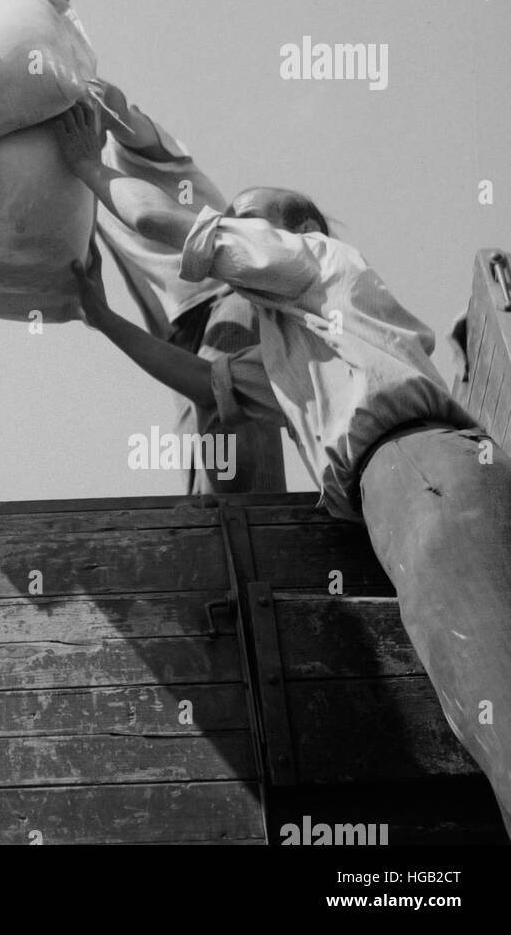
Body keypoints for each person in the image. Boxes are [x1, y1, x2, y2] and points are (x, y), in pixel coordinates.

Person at [53, 100, 511, 828]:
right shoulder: (293, 342)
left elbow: (165, 225)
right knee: (473, 713)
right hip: (389, 497)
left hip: (418, 469)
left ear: (298, 234)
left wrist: (83, 166)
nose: (233, 223)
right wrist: (102, 317)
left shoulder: (317, 263)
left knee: (496, 702)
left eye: (248, 215)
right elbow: (206, 384)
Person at [93, 79, 285, 493]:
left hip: (225, 294)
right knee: (202, 476)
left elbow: (124, 115)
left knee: (228, 419)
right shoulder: (80, 192)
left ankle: (260, 532)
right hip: (180, 331)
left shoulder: (125, 151)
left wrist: (101, 100)